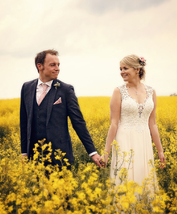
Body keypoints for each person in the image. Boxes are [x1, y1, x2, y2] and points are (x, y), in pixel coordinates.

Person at [20, 49, 102, 169]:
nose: (57, 68)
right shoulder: (27, 87)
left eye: (58, 65)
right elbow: (24, 122)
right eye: (52, 65)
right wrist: (24, 152)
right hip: (34, 157)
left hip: (59, 157)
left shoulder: (66, 90)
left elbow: (78, 122)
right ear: (40, 66)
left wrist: (92, 153)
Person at [102, 54, 165, 187]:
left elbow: (152, 123)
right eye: (120, 69)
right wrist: (106, 153)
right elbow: (113, 123)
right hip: (124, 139)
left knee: (144, 177)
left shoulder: (151, 91)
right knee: (125, 178)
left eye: (125, 68)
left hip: (144, 140)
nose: (122, 72)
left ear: (137, 69)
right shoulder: (118, 91)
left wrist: (160, 151)